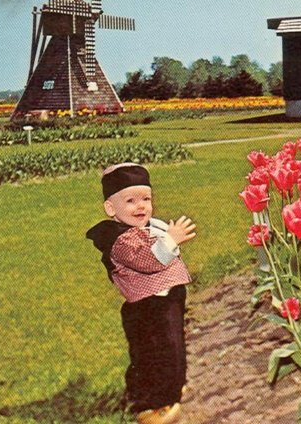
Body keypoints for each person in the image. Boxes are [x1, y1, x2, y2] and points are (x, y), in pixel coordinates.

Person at [86, 163, 196, 424]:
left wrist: (167, 238)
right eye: (131, 201)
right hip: (148, 307)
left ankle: (170, 385)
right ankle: (149, 403)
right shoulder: (120, 240)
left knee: (173, 346)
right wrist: (171, 240)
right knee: (153, 351)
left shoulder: (148, 227)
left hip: (167, 298)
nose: (141, 206)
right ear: (111, 208)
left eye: (146, 199)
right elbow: (147, 260)